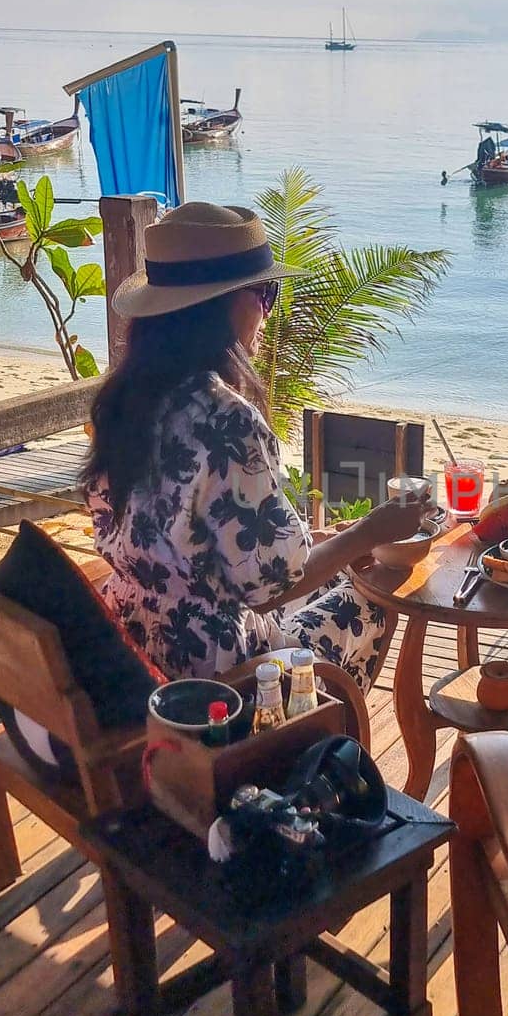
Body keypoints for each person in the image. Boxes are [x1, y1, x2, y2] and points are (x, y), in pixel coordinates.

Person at [81, 200, 427, 691]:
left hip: (139, 637)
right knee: (370, 597)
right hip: (222, 678)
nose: (270, 310)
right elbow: (270, 588)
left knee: (339, 565)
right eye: (265, 293)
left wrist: (334, 541)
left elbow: (194, 541)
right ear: (219, 306)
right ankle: (326, 739)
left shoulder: (124, 401)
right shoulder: (225, 420)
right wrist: (372, 530)